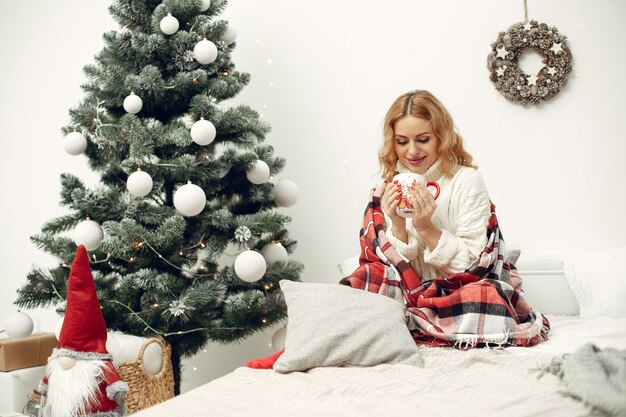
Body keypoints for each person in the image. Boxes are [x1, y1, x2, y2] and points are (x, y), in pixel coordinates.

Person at [379, 89, 491, 279]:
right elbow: (392, 276)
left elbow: (474, 268)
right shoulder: (387, 190)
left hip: (459, 299)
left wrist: (426, 228)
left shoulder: (467, 182)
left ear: (442, 137)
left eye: (423, 139)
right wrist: (398, 226)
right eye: (402, 141)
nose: (412, 151)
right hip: (407, 302)